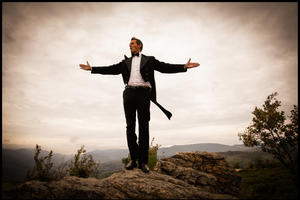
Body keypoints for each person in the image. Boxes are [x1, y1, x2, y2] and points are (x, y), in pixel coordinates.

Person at [79, 37, 200, 173]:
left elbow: (165, 67)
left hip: (144, 94)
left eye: (132, 43)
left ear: (140, 46)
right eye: (129, 44)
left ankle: (143, 162)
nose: (130, 45)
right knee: (130, 126)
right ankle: (133, 159)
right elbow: (111, 69)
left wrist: (183, 67)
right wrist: (92, 69)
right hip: (129, 93)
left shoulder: (149, 60)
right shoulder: (126, 62)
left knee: (144, 127)